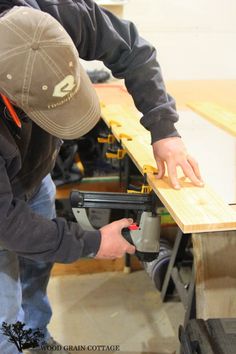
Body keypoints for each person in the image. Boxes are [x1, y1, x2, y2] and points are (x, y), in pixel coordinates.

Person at [0, 1, 203, 353]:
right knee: (4, 306)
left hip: (34, 174)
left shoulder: (54, 15)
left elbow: (134, 50)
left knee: (38, 266)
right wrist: (92, 244)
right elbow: (6, 223)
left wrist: (164, 129)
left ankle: (37, 338)